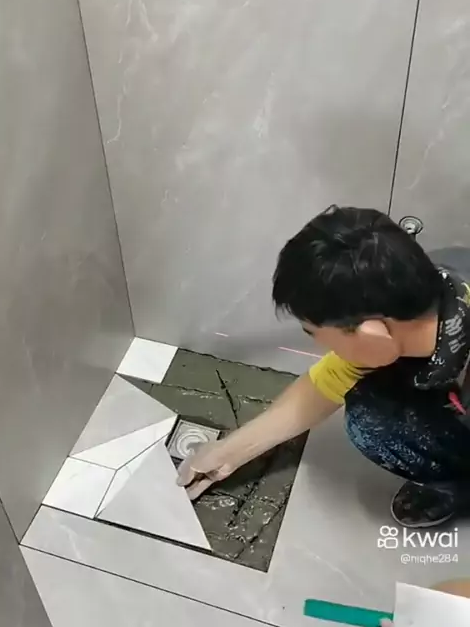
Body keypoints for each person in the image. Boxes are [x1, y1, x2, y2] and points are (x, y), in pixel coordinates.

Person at [177, 206, 470, 529]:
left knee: (371, 422)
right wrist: (229, 452)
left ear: (371, 335)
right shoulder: (432, 276)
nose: (322, 348)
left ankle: (456, 484)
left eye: (316, 335)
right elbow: (327, 382)